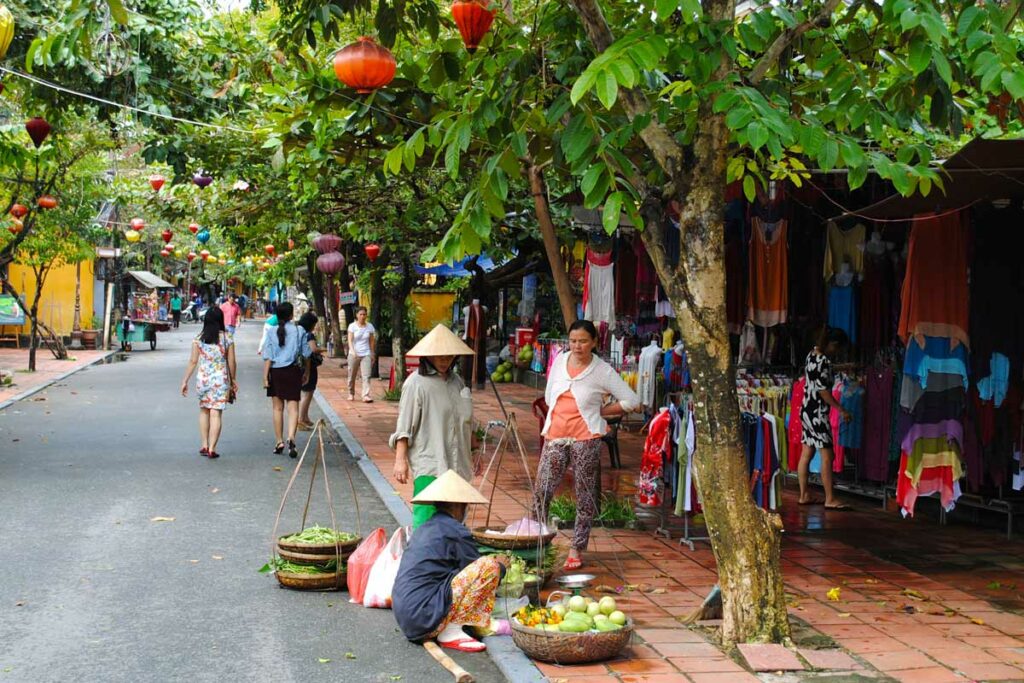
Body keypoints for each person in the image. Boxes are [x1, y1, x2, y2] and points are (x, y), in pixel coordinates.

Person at [533, 319, 640, 571]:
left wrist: (601, 412)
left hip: (586, 439)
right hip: (555, 436)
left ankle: (576, 548)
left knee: (585, 495)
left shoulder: (602, 370)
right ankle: (537, 542)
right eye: (573, 341)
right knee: (541, 490)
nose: (577, 346)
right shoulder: (559, 361)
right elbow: (549, 395)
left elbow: (632, 400)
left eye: (583, 341)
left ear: (593, 342)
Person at [392, 470, 509, 653]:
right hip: (425, 618)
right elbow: (476, 569)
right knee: (489, 566)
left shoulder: (425, 528)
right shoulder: (455, 530)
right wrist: (502, 566)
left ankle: (448, 626)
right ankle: (452, 631)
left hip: (408, 618)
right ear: (457, 506)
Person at [390, 324, 477, 528]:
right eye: (439, 356)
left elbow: (465, 421)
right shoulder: (416, 384)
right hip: (431, 463)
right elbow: (404, 426)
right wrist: (400, 460)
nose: (444, 361)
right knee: (426, 521)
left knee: (457, 520)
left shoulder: (457, 382)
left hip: (458, 463)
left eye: (449, 356)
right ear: (428, 356)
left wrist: (474, 449)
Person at [798, 326, 851, 510]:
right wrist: (841, 409)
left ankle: (803, 495)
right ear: (833, 344)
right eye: (838, 348)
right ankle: (830, 498)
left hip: (806, 409)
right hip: (818, 413)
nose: (837, 353)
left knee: (806, 453)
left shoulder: (811, 355)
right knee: (827, 455)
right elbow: (824, 391)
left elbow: (814, 380)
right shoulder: (825, 361)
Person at [180, 307, 237, 459]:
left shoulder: (198, 338)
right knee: (216, 413)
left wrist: (185, 381)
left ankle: (204, 445)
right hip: (220, 380)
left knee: (204, 410)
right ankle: (212, 448)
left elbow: (193, 361)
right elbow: (232, 361)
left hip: (203, 380)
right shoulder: (227, 338)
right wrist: (233, 380)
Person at [262, 302, 309, 458]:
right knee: (293, 408)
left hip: (276, 372)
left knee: (277, 408)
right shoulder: (299, 330)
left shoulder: (271, 331)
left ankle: (279, 441)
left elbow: (268, 356)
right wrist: (307, 372)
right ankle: (291, 438)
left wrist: (265, 377)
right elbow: (306, 353)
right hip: (293, 371)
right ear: (291, 315)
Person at [296, 312, 322, 430]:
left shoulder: (298, 332)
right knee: (308, 393)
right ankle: (301, 419)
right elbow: (313, 349)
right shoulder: (309, 335)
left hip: (300, 364)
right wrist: (323, 350)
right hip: (308, 365)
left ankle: (305, 417)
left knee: (308, 392)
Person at [347, 306, 376, 402]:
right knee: (352, 375)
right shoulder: (352, 326)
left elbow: (371, 341)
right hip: (354, 354)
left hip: (366, 353)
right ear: (357, 315)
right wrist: (353, 351)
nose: (363, 316)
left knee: (366, 375)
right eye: (361, 314)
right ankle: (351, 393)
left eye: (364, 314)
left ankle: (365, 395)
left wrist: (372, 353)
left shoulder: (370, 326)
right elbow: (350, 340)